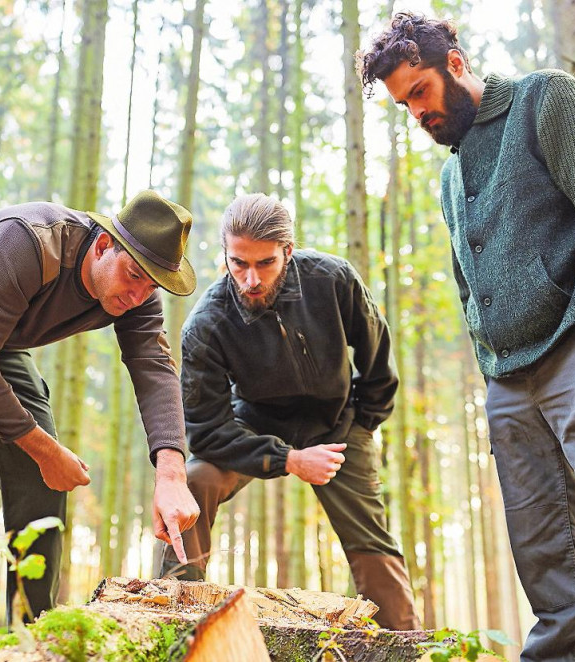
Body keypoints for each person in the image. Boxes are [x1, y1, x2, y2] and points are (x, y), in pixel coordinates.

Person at [358, 13, 575, 660]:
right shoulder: (451, 175)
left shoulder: (547, 98)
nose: (417, 113)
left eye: (420, 92)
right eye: (404, 105)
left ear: (454, 64)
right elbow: (468, 281)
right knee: (547, 555)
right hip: (513, 384)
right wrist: (492, 370)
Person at [0, 190, 201, 661]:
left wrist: (171, 474)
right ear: (102, 246)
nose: (138, 295)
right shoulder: (29, 242)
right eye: (134, 277)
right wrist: (47, 450)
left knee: (42, 462)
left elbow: (153, 364)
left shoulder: (139, 290)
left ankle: (35, 634)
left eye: (151, 287)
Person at [154, 193, 420, 630]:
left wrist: (361, 428)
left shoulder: (333, 280)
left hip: (337, 424)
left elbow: (377, 363)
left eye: (265, 263)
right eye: (239, 263)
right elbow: (205, 432)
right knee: (196, 480)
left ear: (288, 253)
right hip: (253, 424)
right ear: (225, 255)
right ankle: (172, 618)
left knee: (371, 537)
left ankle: (406, 647)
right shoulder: (207, 324)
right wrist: (288, 459)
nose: (250, 279)